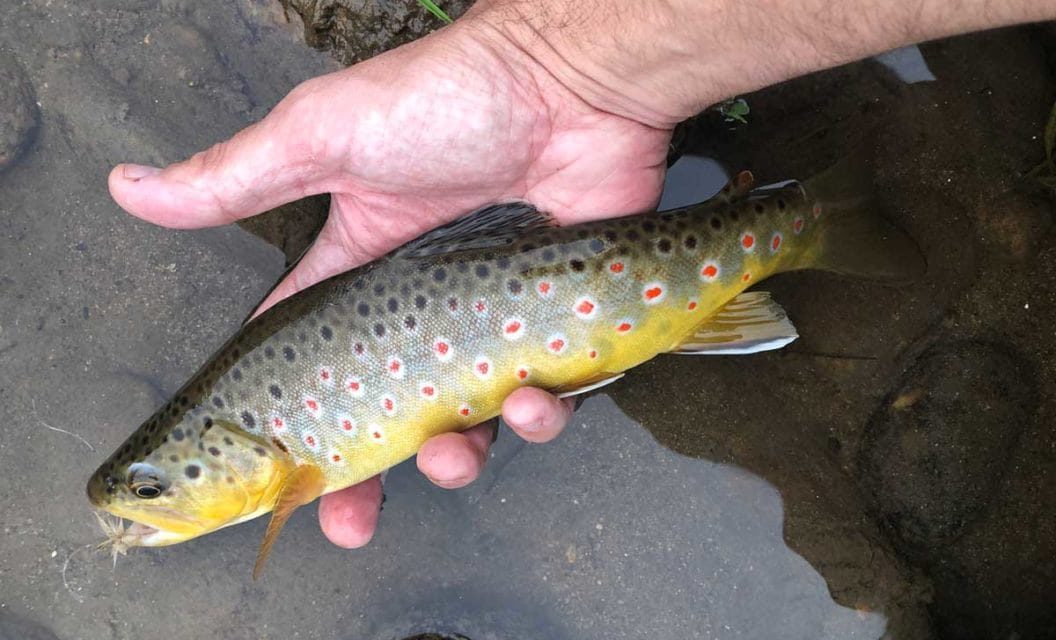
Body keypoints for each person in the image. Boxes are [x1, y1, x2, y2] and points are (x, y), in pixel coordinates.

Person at [106, 0, 1055, 548]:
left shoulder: (292, 473)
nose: (144, 502)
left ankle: (796, 226)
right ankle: (788, 229)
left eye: (150, 484)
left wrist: (556, 65)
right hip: (544, 267)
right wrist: (555, 59)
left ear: (223, 450)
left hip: (557, 275)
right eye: (147, 490)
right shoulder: (281, 456)